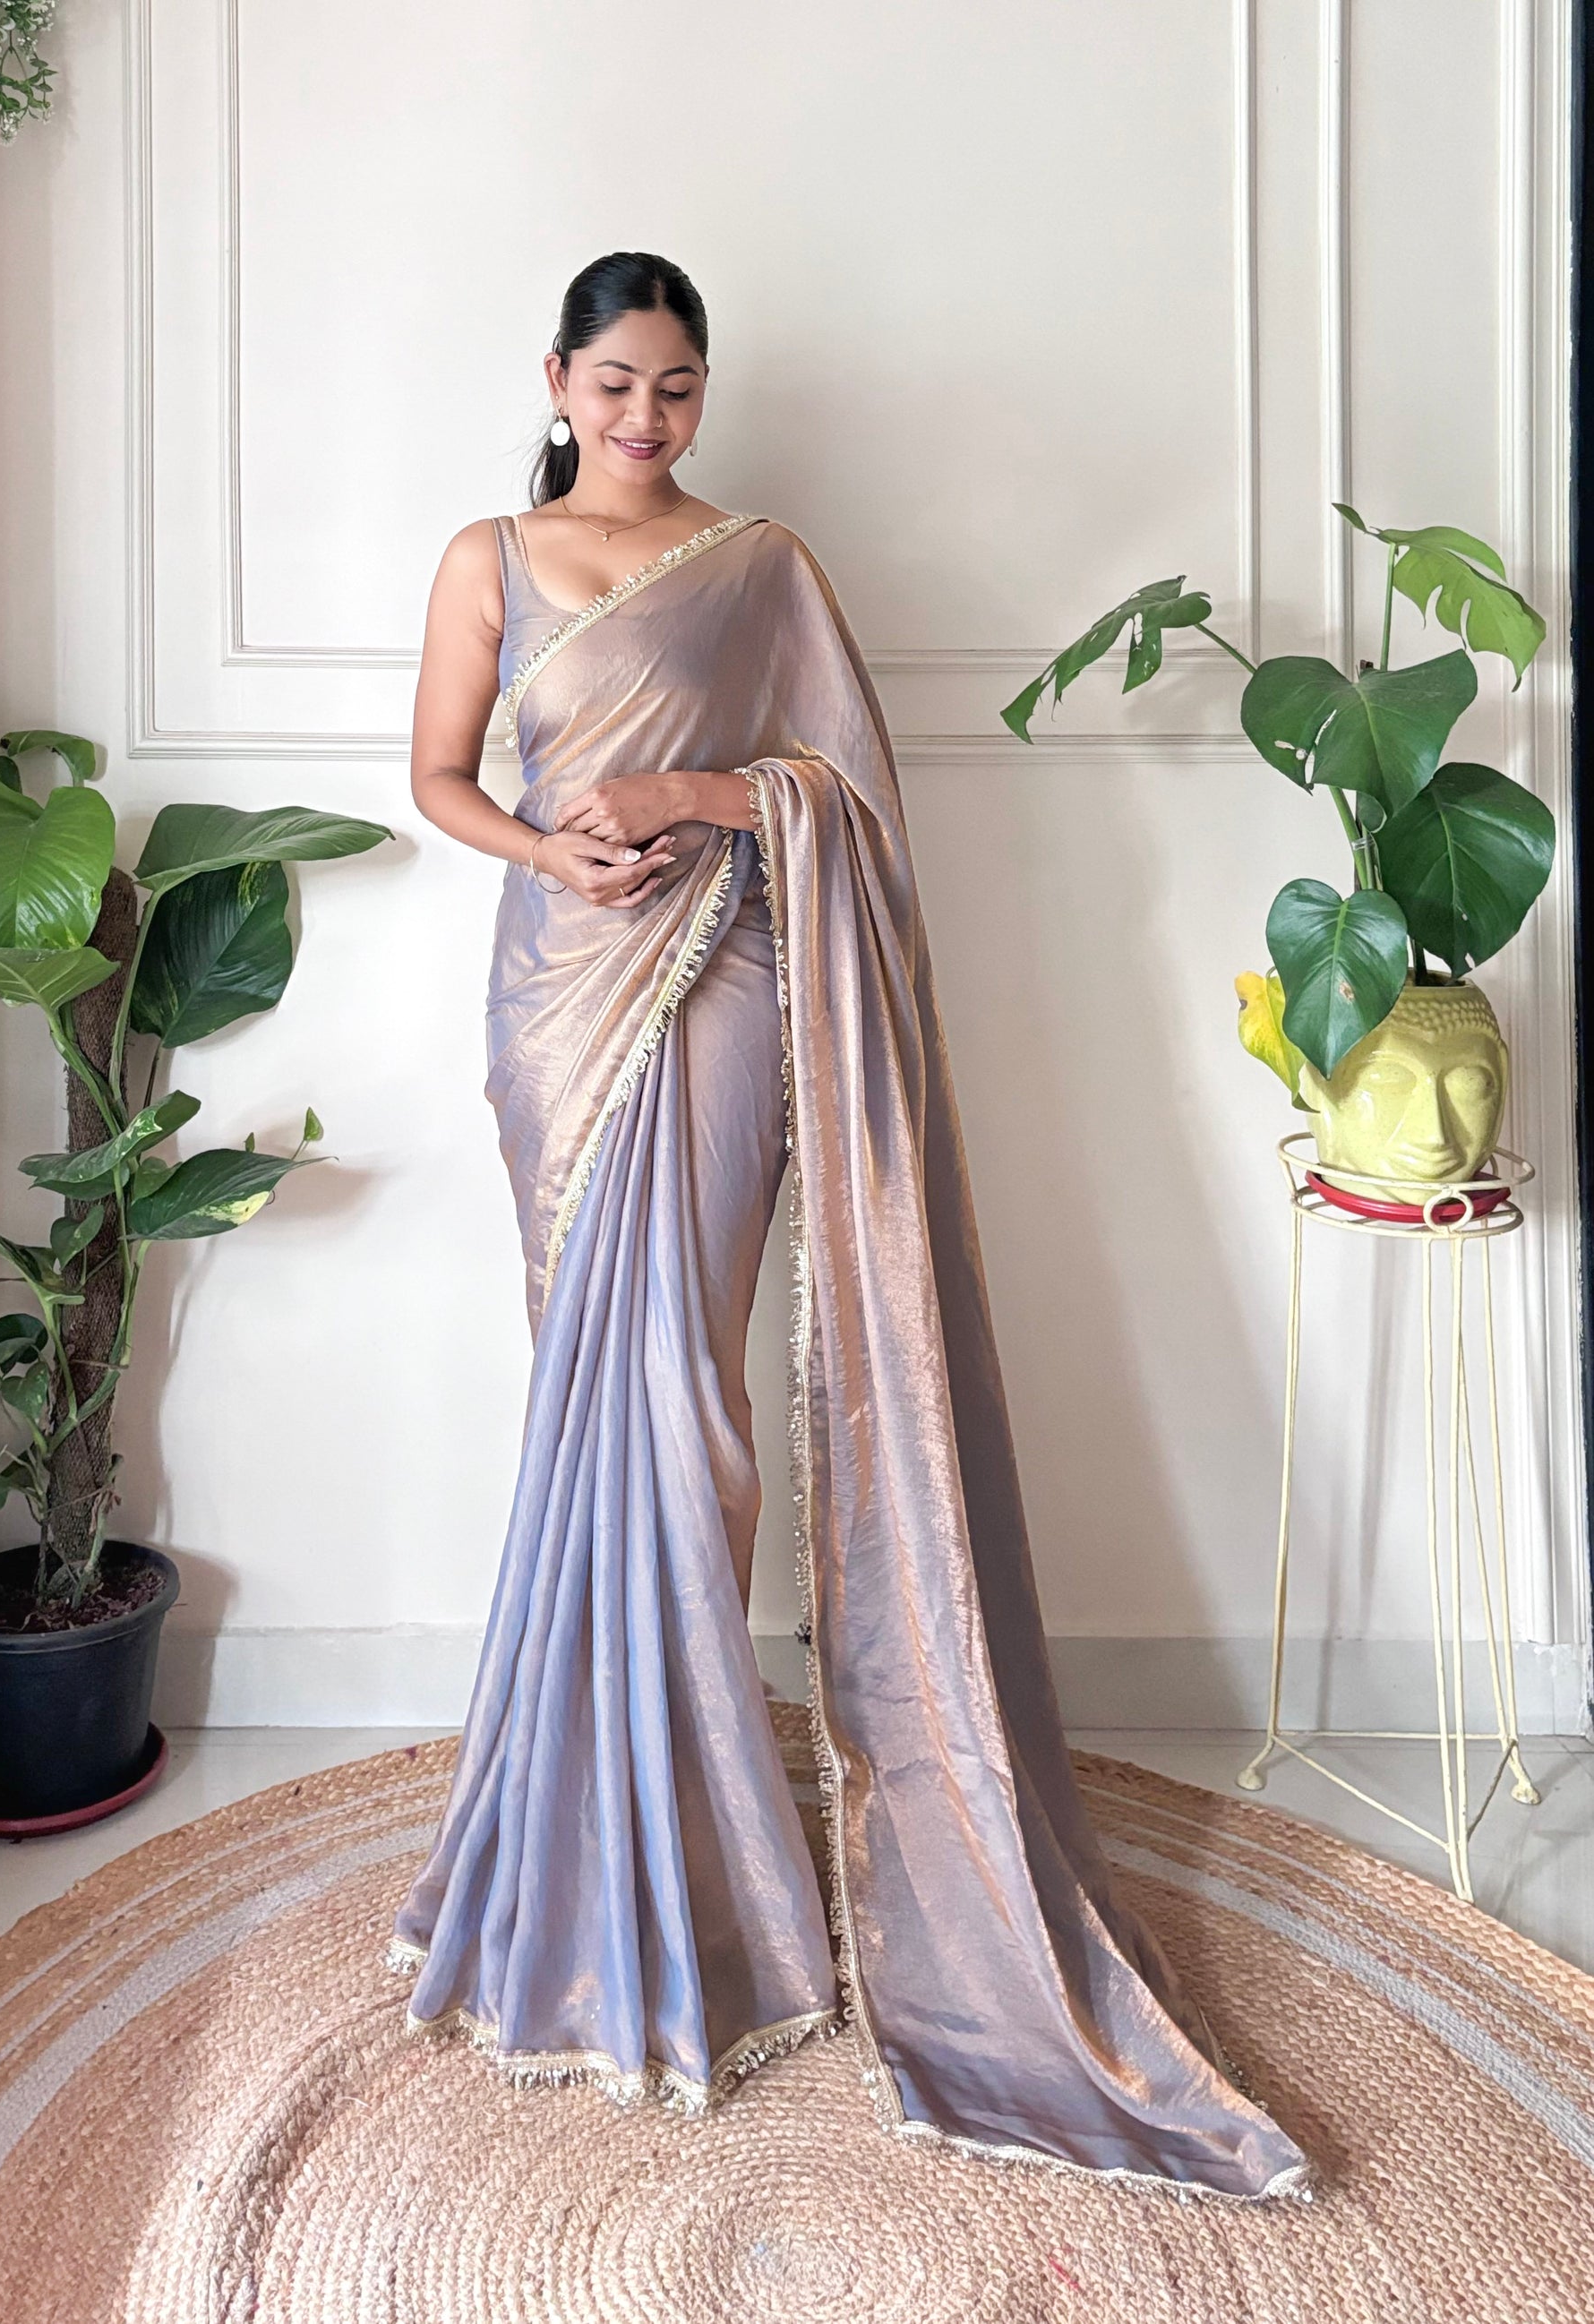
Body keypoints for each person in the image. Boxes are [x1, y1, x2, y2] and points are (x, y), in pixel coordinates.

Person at [385, 251, 1308, 2202]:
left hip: (714, 977)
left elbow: (854, 803)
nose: (647, 420)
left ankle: (706, 1837)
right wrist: (555, 837)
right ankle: (584, 1821)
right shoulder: (486, 552)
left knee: (690, 1397)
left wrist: (694, 789)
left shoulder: (760, 560)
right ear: (556, 378)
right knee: (589, 1397)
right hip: (557, 996)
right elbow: (437, 779)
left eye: (677, 389)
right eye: (619, 385)